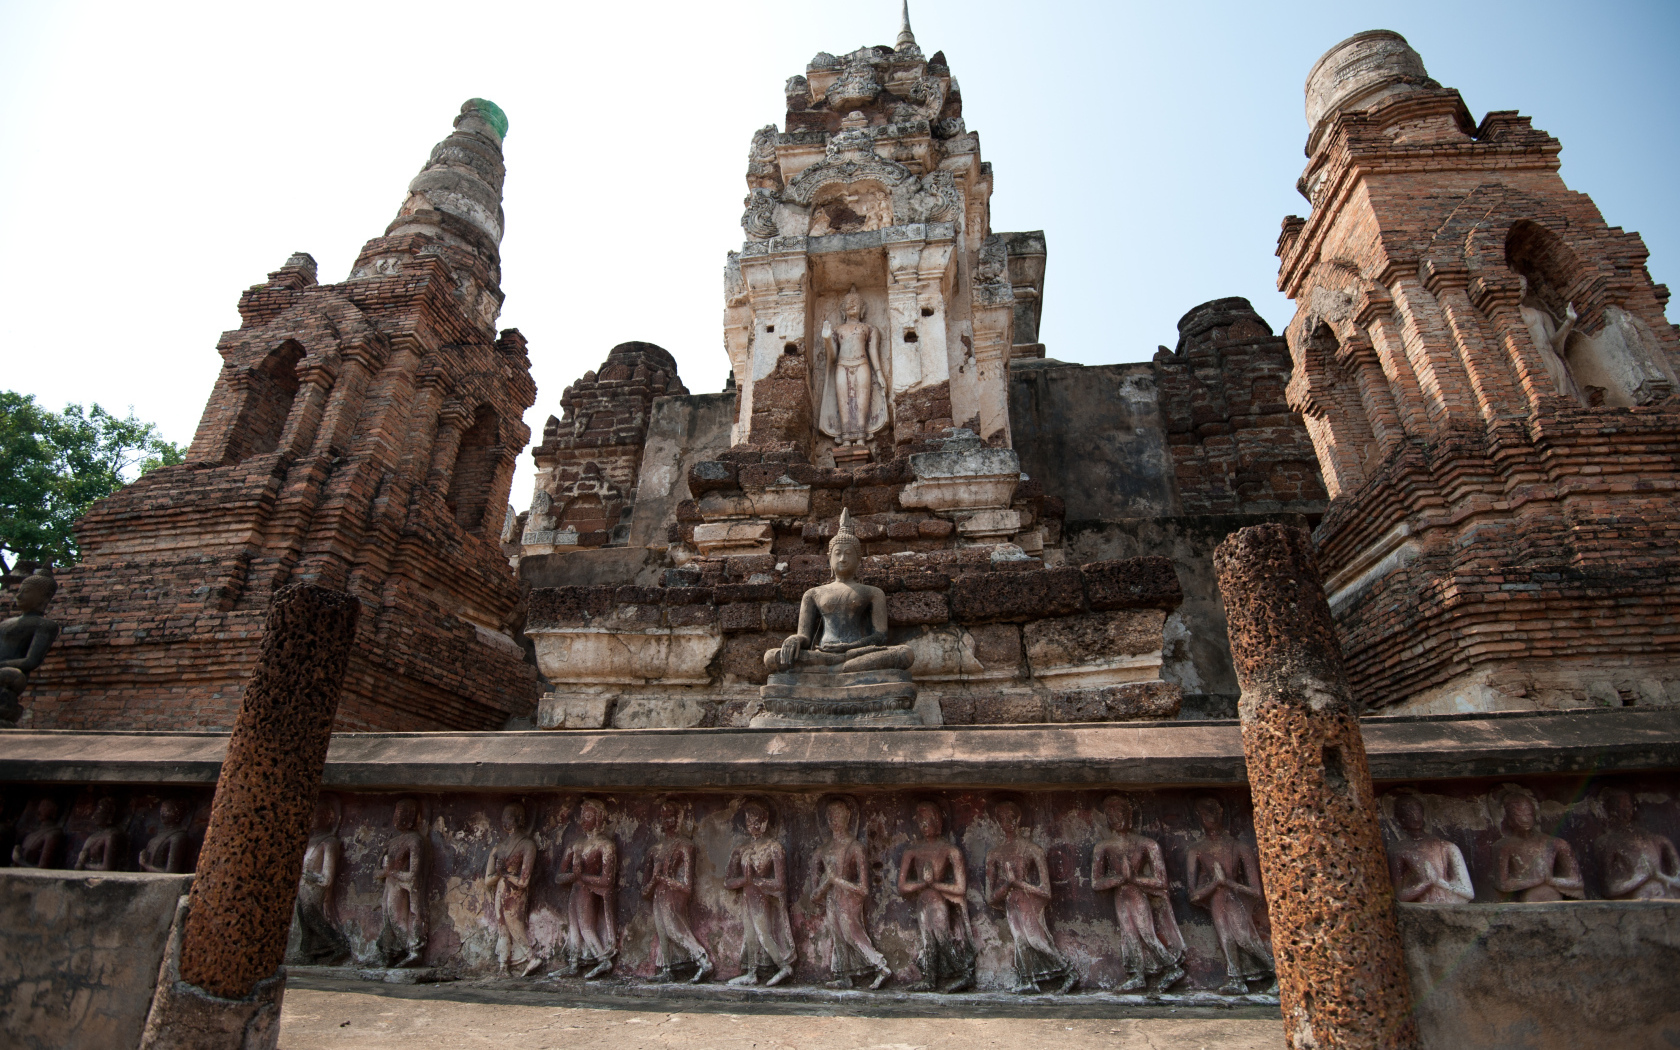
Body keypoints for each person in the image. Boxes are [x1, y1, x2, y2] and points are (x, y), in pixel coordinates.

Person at [1091, 795, 1185, 992]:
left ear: (1130, 816)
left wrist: (1134, 879)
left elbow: (1161, 881)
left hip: (1137, 893)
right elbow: (1096, 882)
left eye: (1120, 812)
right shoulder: (1103, 847)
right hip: (1121, 894)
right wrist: (1120, 879)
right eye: (1110, 813)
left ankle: (1171, 967)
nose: (1115, 817)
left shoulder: (1147, 845)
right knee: (1129, 934)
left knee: (1146, 932)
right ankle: (1137, 975)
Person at [984, 800, 1077, 994]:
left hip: (1027, 900)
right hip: (1011, 901)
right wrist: (1008, 885)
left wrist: (1018, 883)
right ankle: (1028, 980)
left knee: (1036, 940)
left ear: (1018, 819)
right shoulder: (994, 854)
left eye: (1010, 816)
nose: (1006, 821)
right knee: (1020, 941)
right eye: (1001, 818)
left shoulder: (1032, 849)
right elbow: (990, 897)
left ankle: (1069, 972)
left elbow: (1045, 891)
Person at [1186, 798, 1274, 995]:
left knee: (1245, 938)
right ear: (1198, 818)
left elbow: (1256, 891)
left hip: (1235, 899)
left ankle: (1275, 971)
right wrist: (1215, 884)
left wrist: (1228, 883)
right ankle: (1236, 978)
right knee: (1226, 938)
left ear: (1222, 814)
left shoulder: (1239, 847)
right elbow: (1193, 895)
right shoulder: (1197, 850)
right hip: (1217, 900)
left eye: (1215, 811)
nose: (1211, 817)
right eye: (1205, 813)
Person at [812, 798, 891, 989]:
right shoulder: (821, 851)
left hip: (849, 899)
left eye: (838, 814)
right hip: (832, 899)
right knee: (837, 934)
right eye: (829, 815)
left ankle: (881, 966)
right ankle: (844, 975)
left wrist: (836, 880)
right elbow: (814, 895)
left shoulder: (855, 847)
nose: (833, 819)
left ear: (848, 816)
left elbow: (863, 889)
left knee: (851, 934)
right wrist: (827, 883)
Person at [896, 800, 974, 993]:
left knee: (942, 937)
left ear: (939, 821)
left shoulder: (950, 850)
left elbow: (961, 888)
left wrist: (934, 884)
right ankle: (930, 979)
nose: (924, 824)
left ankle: (965, 973)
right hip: (923, 901)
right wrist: (923, 884)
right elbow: (902, 887)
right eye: (921, 820)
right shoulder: (912, 851)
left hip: (938, 901)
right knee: (927, 940)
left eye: (929, 820)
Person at [724, 800, 795, 987]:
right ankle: (751, 973)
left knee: (763, 933)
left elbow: (780, 883)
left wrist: (757, 880)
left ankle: (784, 965)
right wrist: (746, 880)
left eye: (756, 821)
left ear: (765, 822)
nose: (752, 826)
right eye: (748, 821)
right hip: (748, 895)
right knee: (749, 935)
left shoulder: (774, 848)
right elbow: (728, 882)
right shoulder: (741, 849)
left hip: (762, 896)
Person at [641, 801, 712, 983]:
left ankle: (703, 960)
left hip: (674, 894)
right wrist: (655, 881)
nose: (667, 821)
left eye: (671, 816)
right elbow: (645, 890)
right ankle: (667, 968)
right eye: (663, 817)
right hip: (659, 893)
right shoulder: (654, 850)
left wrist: (664, 879)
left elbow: (687, 886)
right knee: (662, 930)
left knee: (674, 929)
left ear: (679, 818)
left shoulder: (684, 846)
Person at [557, 799, 618, 979]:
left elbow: (607, 880)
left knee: (586, 928)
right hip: (576, 890)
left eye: (589, 816)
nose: (584, 820)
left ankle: (603, 959)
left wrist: (582, 876)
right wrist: (574, 876)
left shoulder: (605, 845)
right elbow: (559, 876)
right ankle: (573, 964)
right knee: (574, 927)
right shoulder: (576, 844)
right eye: (582, 816)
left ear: (599, 818)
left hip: (589, 891)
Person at [1492, 787, 1583, 902]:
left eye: (1528, 814)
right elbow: (1502, 884)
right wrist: (1534, 881)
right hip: (1527, 899)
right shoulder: (1503, 847)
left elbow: (1577, 881)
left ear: (1535, 814)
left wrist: (1551, 880)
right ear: (1507, 818)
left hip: (1553, 896)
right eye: (1518, 815)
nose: (1524, 819)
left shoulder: (1557, 843)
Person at [484, 802, 541, 976]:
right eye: (504, 817)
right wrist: (500, 875)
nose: (505, 821)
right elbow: (488, 879)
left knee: (515, 925)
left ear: (519, 819)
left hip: (515, 892)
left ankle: (531, 957)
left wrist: (506, 875)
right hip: (501, 889)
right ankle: (503, 966)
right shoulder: (498, 848)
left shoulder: (527, 845)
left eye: (509, 816)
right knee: (502, 926)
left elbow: (524, 881)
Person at [1387, 793, 1473, 904]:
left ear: (1423, 814)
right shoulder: (1398, 851)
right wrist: (1425, 884)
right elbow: (1399, 897)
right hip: (1421, 905)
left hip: (1451, 903)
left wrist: (1439, 882)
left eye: (1417, 811)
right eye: (1407, 813)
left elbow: (1469, 893)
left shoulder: (1447, 847)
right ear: (1400, 819)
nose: (1414, 815)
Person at [377, 798, 428, 967]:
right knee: (388, 920)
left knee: (398, 918)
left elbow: (413, 874)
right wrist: (386, 872)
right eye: (395, 814)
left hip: (402, 886)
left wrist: (394, 873)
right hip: (390, 884)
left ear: (412, 817)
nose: (396, 819)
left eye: (401, 814)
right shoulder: (392, 842)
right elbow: (376, 872)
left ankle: (413, 951)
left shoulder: (414, 841)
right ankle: (392, 952)